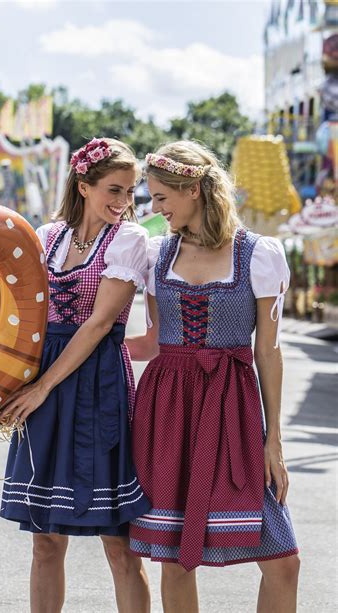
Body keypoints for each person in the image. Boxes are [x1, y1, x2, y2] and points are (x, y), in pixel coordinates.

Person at [127, 141, 300, 613]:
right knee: (175, 560)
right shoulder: (157, 254)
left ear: (195, 190)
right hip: (167, 410)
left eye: (162, 197)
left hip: (234, 409)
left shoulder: (259, 254)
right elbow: (154, 340)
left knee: (283, 560)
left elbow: (268, 350)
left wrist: (274, 442)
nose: (155, 208)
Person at [0, 137, 151, 613]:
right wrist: (7, 382)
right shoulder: (46, 237)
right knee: (45, 540)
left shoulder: (128, 241)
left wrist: (42, 387)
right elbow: (20, 315)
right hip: (45, 378)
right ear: (83, 186)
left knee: (118, 543)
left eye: (130, 192)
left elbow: (101, 323)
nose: (124, 202)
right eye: (114, 189)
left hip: (98, 383)